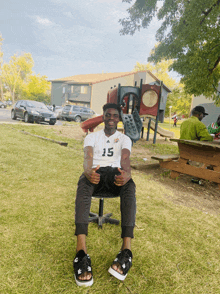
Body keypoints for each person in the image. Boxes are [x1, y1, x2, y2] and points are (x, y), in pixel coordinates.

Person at [73, 103, 136, 287]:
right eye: (108, 114)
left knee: (130, 187)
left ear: (119, 118)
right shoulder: (92, 136)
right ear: (103, 116)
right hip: (96, 174)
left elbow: (125, 160)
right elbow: (87, 157)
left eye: (115, 115)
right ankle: (81, 252)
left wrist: (127, 175)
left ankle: (126, 251)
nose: (111, 118)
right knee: (83, 185)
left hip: (114, 174)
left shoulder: (124, 139)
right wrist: (87, 172)